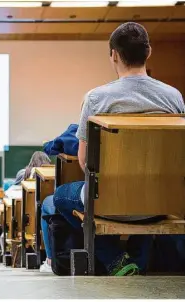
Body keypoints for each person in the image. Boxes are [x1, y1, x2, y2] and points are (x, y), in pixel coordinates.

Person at [52, 22, 185, 276]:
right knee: (146, 190)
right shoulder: (174, 98)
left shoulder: (96, 99)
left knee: (60, 196)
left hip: (108, 203)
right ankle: (139, 259)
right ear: (149, 52)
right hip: (162, 202)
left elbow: (84, 161)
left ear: (113, 54)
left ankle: (116, 259)